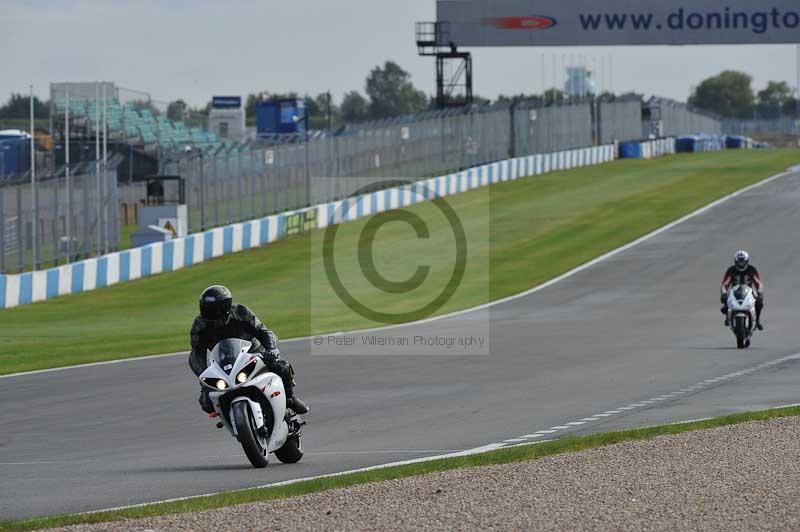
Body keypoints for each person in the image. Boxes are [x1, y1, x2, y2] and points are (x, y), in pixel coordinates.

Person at [188, 285, 309, 415]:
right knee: (206, 401)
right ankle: (229, 416)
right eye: (206, 310)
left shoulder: (241, 313)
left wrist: (271, 350)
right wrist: (204, 375)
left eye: (214, 310)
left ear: (225, 308)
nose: (211, 314)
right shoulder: (200, 325)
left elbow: (265, 332)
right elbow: (196, 353)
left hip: (254, 355)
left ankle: (290, 398)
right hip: (224, 364)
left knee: (282, 366)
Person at [720, 250, 764, 330]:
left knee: (759, 303)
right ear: (735, 261)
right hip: (734, 291)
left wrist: (760, 293)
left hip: (749, 292)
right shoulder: (731, 270)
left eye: (743, 262)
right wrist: (723, 293)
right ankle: (727, 316)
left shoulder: (751, 269)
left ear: (746, 261)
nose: (741, 264)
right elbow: (725, 284)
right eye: (739, 262)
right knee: (726, 302)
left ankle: (757, 321)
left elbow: (758, 283)